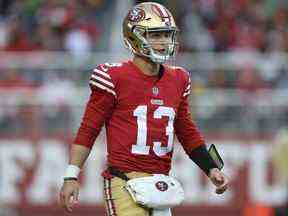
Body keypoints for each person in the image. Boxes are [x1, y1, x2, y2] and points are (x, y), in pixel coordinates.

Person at [59, 2, 229, 216]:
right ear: (134, 36)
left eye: (167, 35)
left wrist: (211, 167)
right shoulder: (113, 77)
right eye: (155, 35)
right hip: (124, 182)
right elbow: (89, 129)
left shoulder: (179, 78)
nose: (163, 42)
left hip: (161, 185)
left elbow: (186, 130)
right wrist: (71, 176)